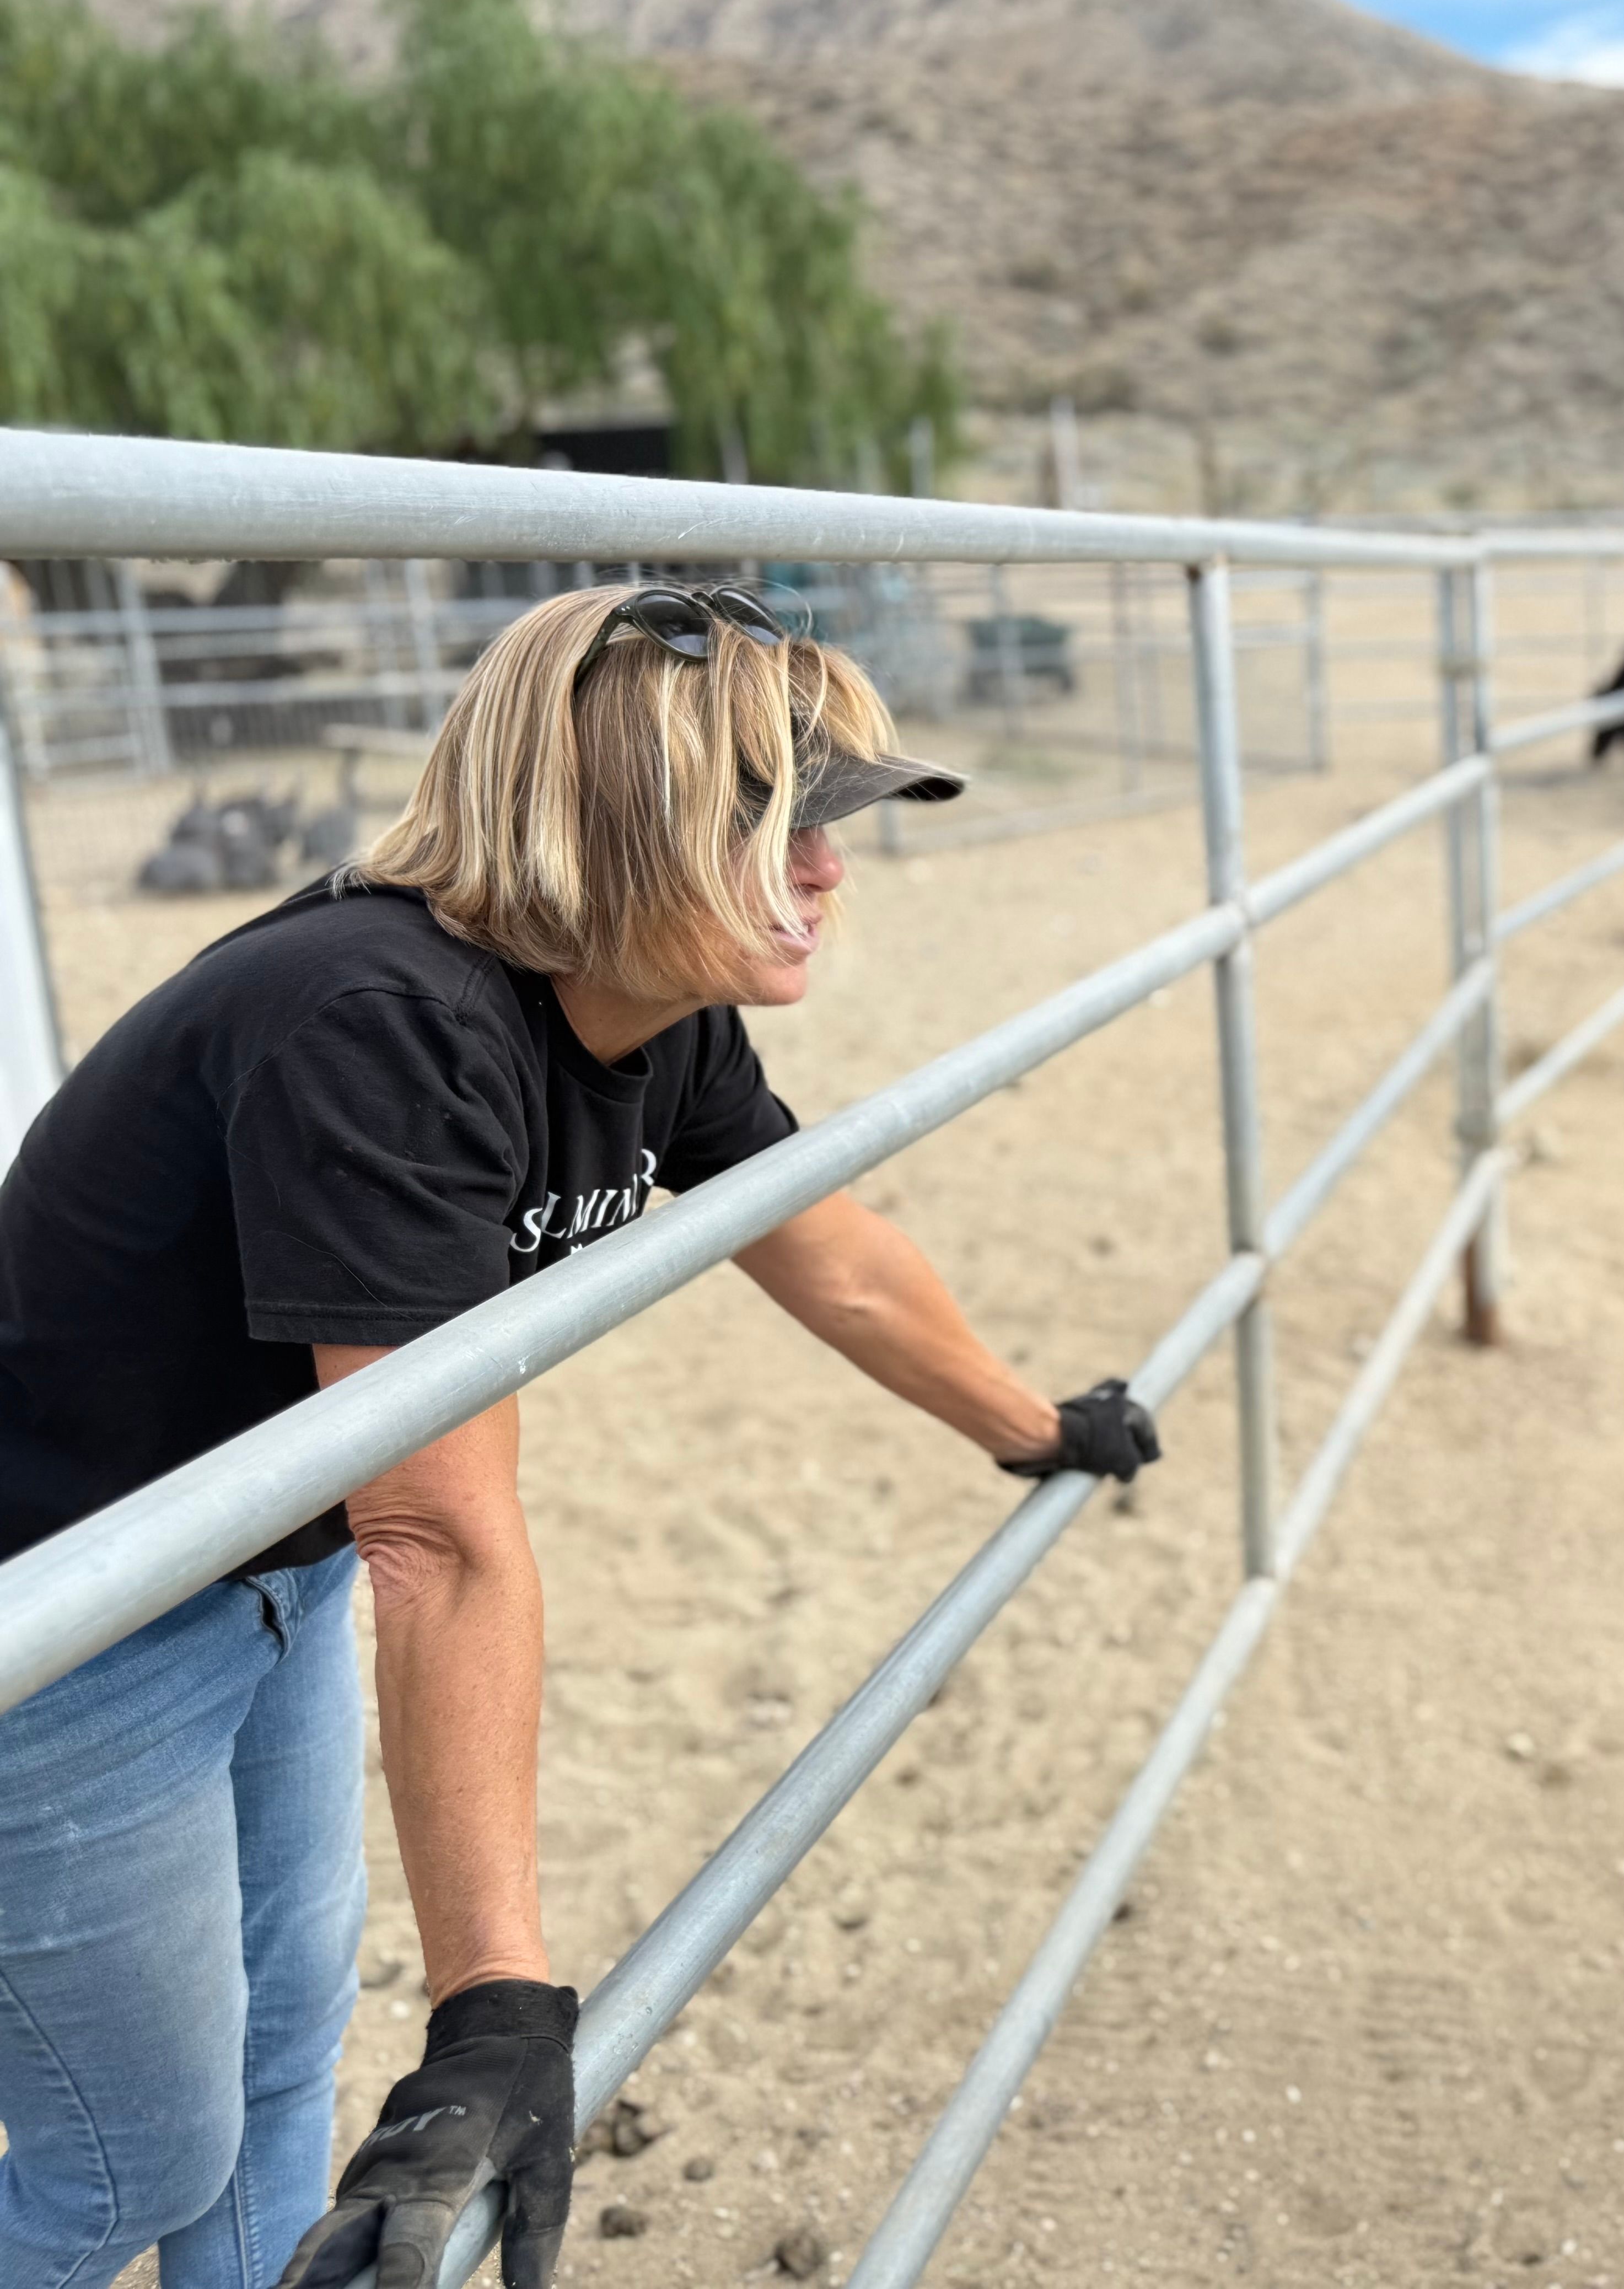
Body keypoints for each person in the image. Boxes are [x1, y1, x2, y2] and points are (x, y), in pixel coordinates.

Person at [0, 581, 1160, 2289]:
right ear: (613, 823)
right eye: (772, 818)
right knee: (127, 2160)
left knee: (274, 2075)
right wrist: (495, 2012)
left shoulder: (656, 1012)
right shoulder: (380, 1023)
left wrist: (1031, 1423)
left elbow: (819, 1242)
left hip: (274, 1572)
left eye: (829, 822)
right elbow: (440, 1531)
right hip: (75, 1608)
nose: (834, 869)